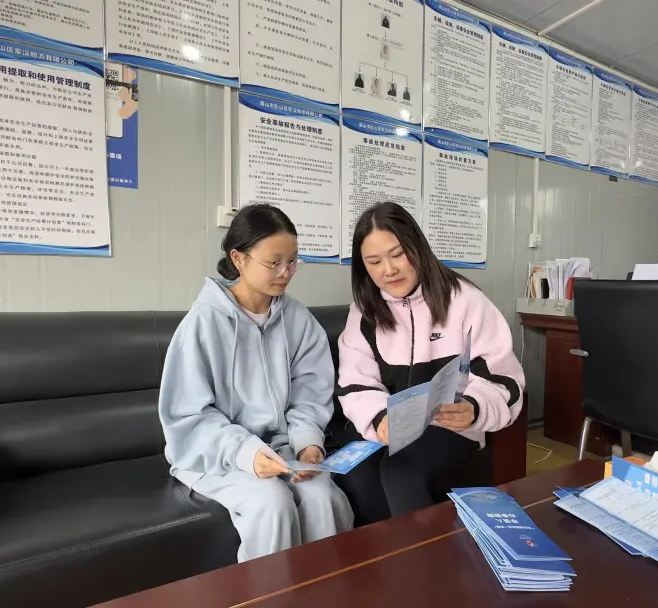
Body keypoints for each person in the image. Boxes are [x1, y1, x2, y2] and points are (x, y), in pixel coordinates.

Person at [159, 204, 353, 562]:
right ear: (239, 258)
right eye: (273, 262)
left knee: (322, 497)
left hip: (283, 449)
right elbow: (189, 416)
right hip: (217, 456)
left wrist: (308, 443)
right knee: (271, 502)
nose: (285, 273)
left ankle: (328, 587)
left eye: (292, 262)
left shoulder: (298, 320)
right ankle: (270, 591)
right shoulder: (202, 324)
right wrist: (245, 452)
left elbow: (311, 395)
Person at [335, 202, 525, 523]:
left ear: (417, 248)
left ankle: (418, 554)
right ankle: (383, 554)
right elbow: (355, 383)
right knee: (359, 475)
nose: (389, 270)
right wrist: (380, 418)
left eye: (398, 255)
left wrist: (474, 407)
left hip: (448, 428)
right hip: (386, 427)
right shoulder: (364, 312)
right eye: (374, 262)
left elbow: (504, 379)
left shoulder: (464, 300)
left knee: (402, 469)